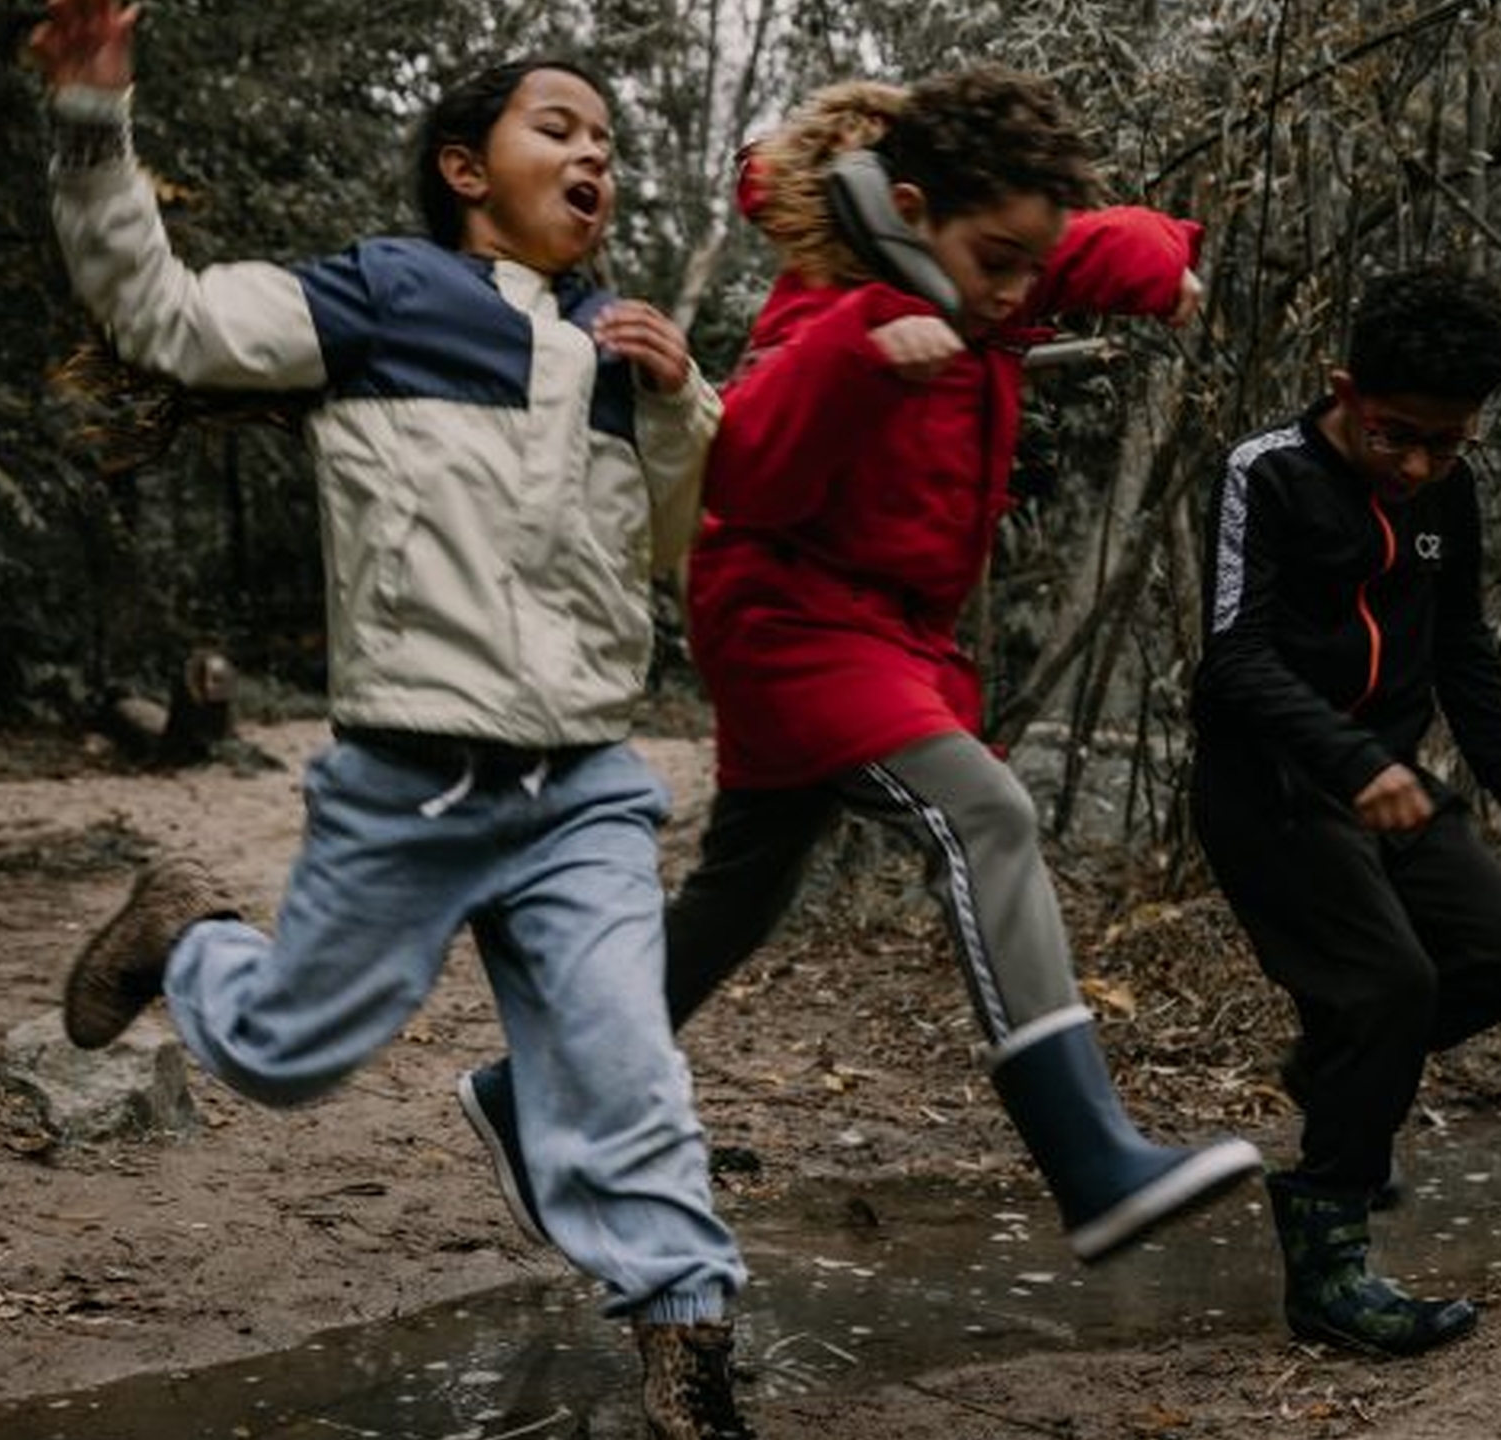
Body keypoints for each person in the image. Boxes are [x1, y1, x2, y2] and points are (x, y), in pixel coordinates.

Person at [26, 4, 754, 1434]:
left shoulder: (627, 351)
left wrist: (679, 406)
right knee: (289, 1053)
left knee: (627, 1061)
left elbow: (667, 545)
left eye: (607, 142)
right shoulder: (377, 298)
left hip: (583, 790)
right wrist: (91, 117)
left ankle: (688, 1342)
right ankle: (186, 934)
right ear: (464, 167)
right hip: (408, 782)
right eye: (560, 127)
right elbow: (159, 315)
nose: (593, 153)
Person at [459, 68, 1262, 1271]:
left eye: (1025, 267)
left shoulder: (992, 267)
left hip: (888, 639)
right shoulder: (826, 311)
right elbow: (746, 479)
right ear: (904, 206)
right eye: (992, 259)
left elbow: (1081, 243)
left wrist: (1159, 270)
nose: (1010, 292)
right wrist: (864, 356)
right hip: (792, 624)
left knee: (736, 897)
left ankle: (531, 1094)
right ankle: (1090, 1157)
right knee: (985, 814)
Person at [1189, 266, 1501, 1355]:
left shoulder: (1448, 491)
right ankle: (1328, 1265)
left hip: (1392, 784)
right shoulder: (1262, 474)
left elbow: (1461, 646)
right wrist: (1350, 759)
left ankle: (1335, 1073)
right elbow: (1233, 661)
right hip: (1269, 786)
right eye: (1395, 435)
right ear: (1343, 388)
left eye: (1446, 443)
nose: (1416, 465)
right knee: (1390, 987)